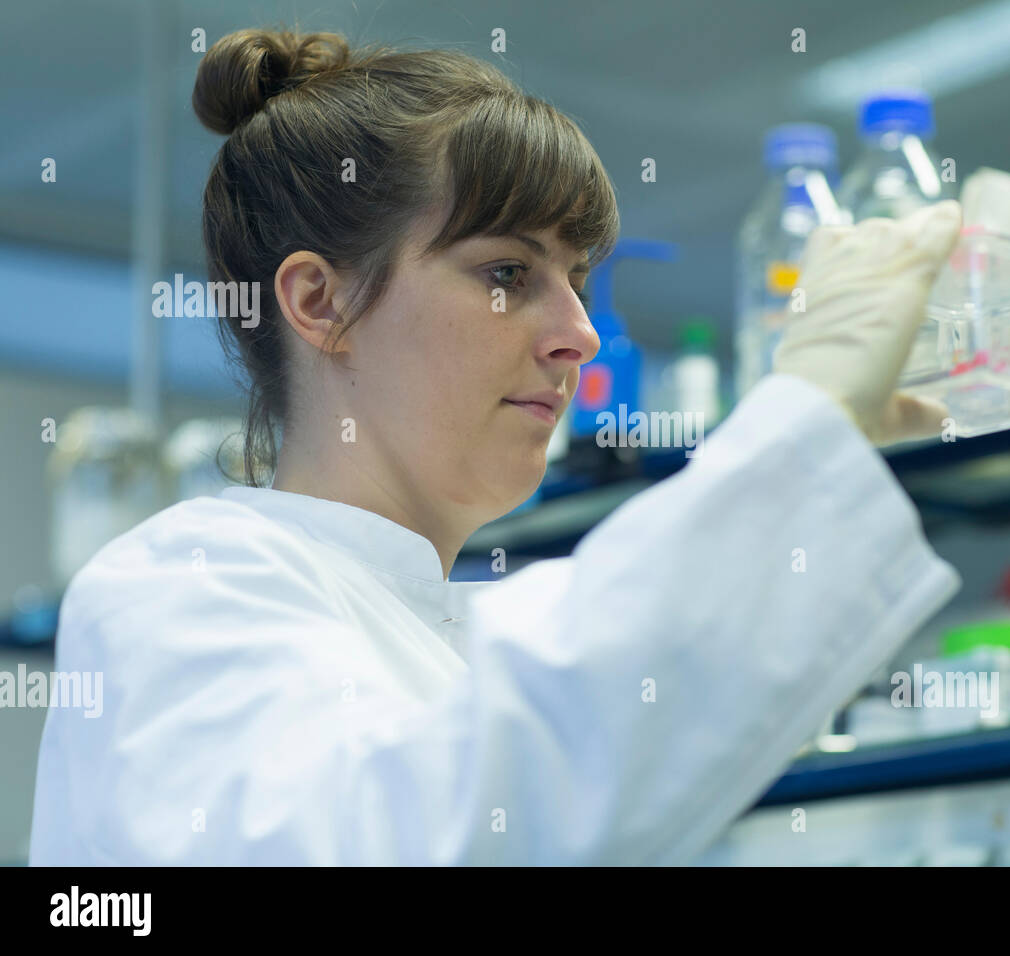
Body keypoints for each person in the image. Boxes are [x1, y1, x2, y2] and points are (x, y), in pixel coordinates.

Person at [29, 28, 963, 865]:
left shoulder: (458, 634)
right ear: (319, 303)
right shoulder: (179, 587)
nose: (580, 334)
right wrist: (795, 438)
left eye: (579, 280)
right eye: (508, 272)